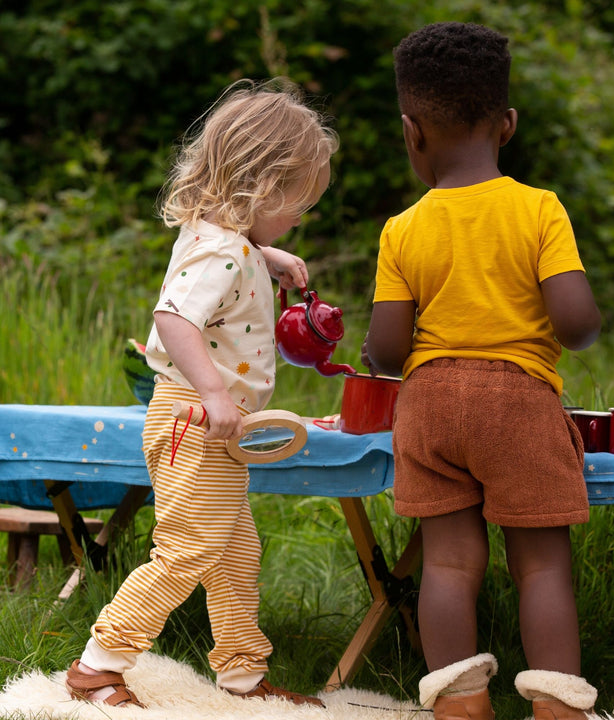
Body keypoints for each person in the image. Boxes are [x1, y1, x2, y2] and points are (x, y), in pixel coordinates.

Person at [65, 79, 338, 708]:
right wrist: (215, 393)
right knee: (187, 551)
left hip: (213, 428)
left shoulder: (221, 239)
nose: (303, 216)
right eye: (299, 203)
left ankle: (242, 672)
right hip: (200, 421)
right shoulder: (220, 250)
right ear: (262, 187)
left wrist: (265, 253)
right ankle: (99, 664)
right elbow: (174, 318)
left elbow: (225, 252)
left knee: (236, 552)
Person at [362, 22, 602, 720]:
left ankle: (460, 707)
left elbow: (385, 349)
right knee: (542, 565)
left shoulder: (402, 228)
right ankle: (558, 709)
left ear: (412, 131)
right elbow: (577, 322)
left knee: (448, 564)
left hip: (429, 406)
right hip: (519, 404)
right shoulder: (538, 209)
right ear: (508, 124)